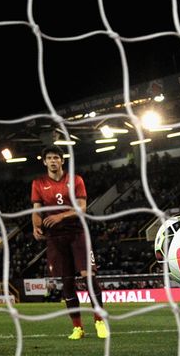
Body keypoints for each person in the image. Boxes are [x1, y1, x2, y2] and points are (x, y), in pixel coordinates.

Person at [31, 145, 108, 340]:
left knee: (88, 276)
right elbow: (36, 209)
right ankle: (77, 328)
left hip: (77, 232)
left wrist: (61, 216)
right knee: (67, 282)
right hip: (55, 237)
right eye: (49, 158)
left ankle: (99, 321)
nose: (53, 161)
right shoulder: (38, 182)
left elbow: (82, 208)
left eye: (56, 157)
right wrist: (36, 226)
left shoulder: (75, 180)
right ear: (44, 161)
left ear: (62, 160)